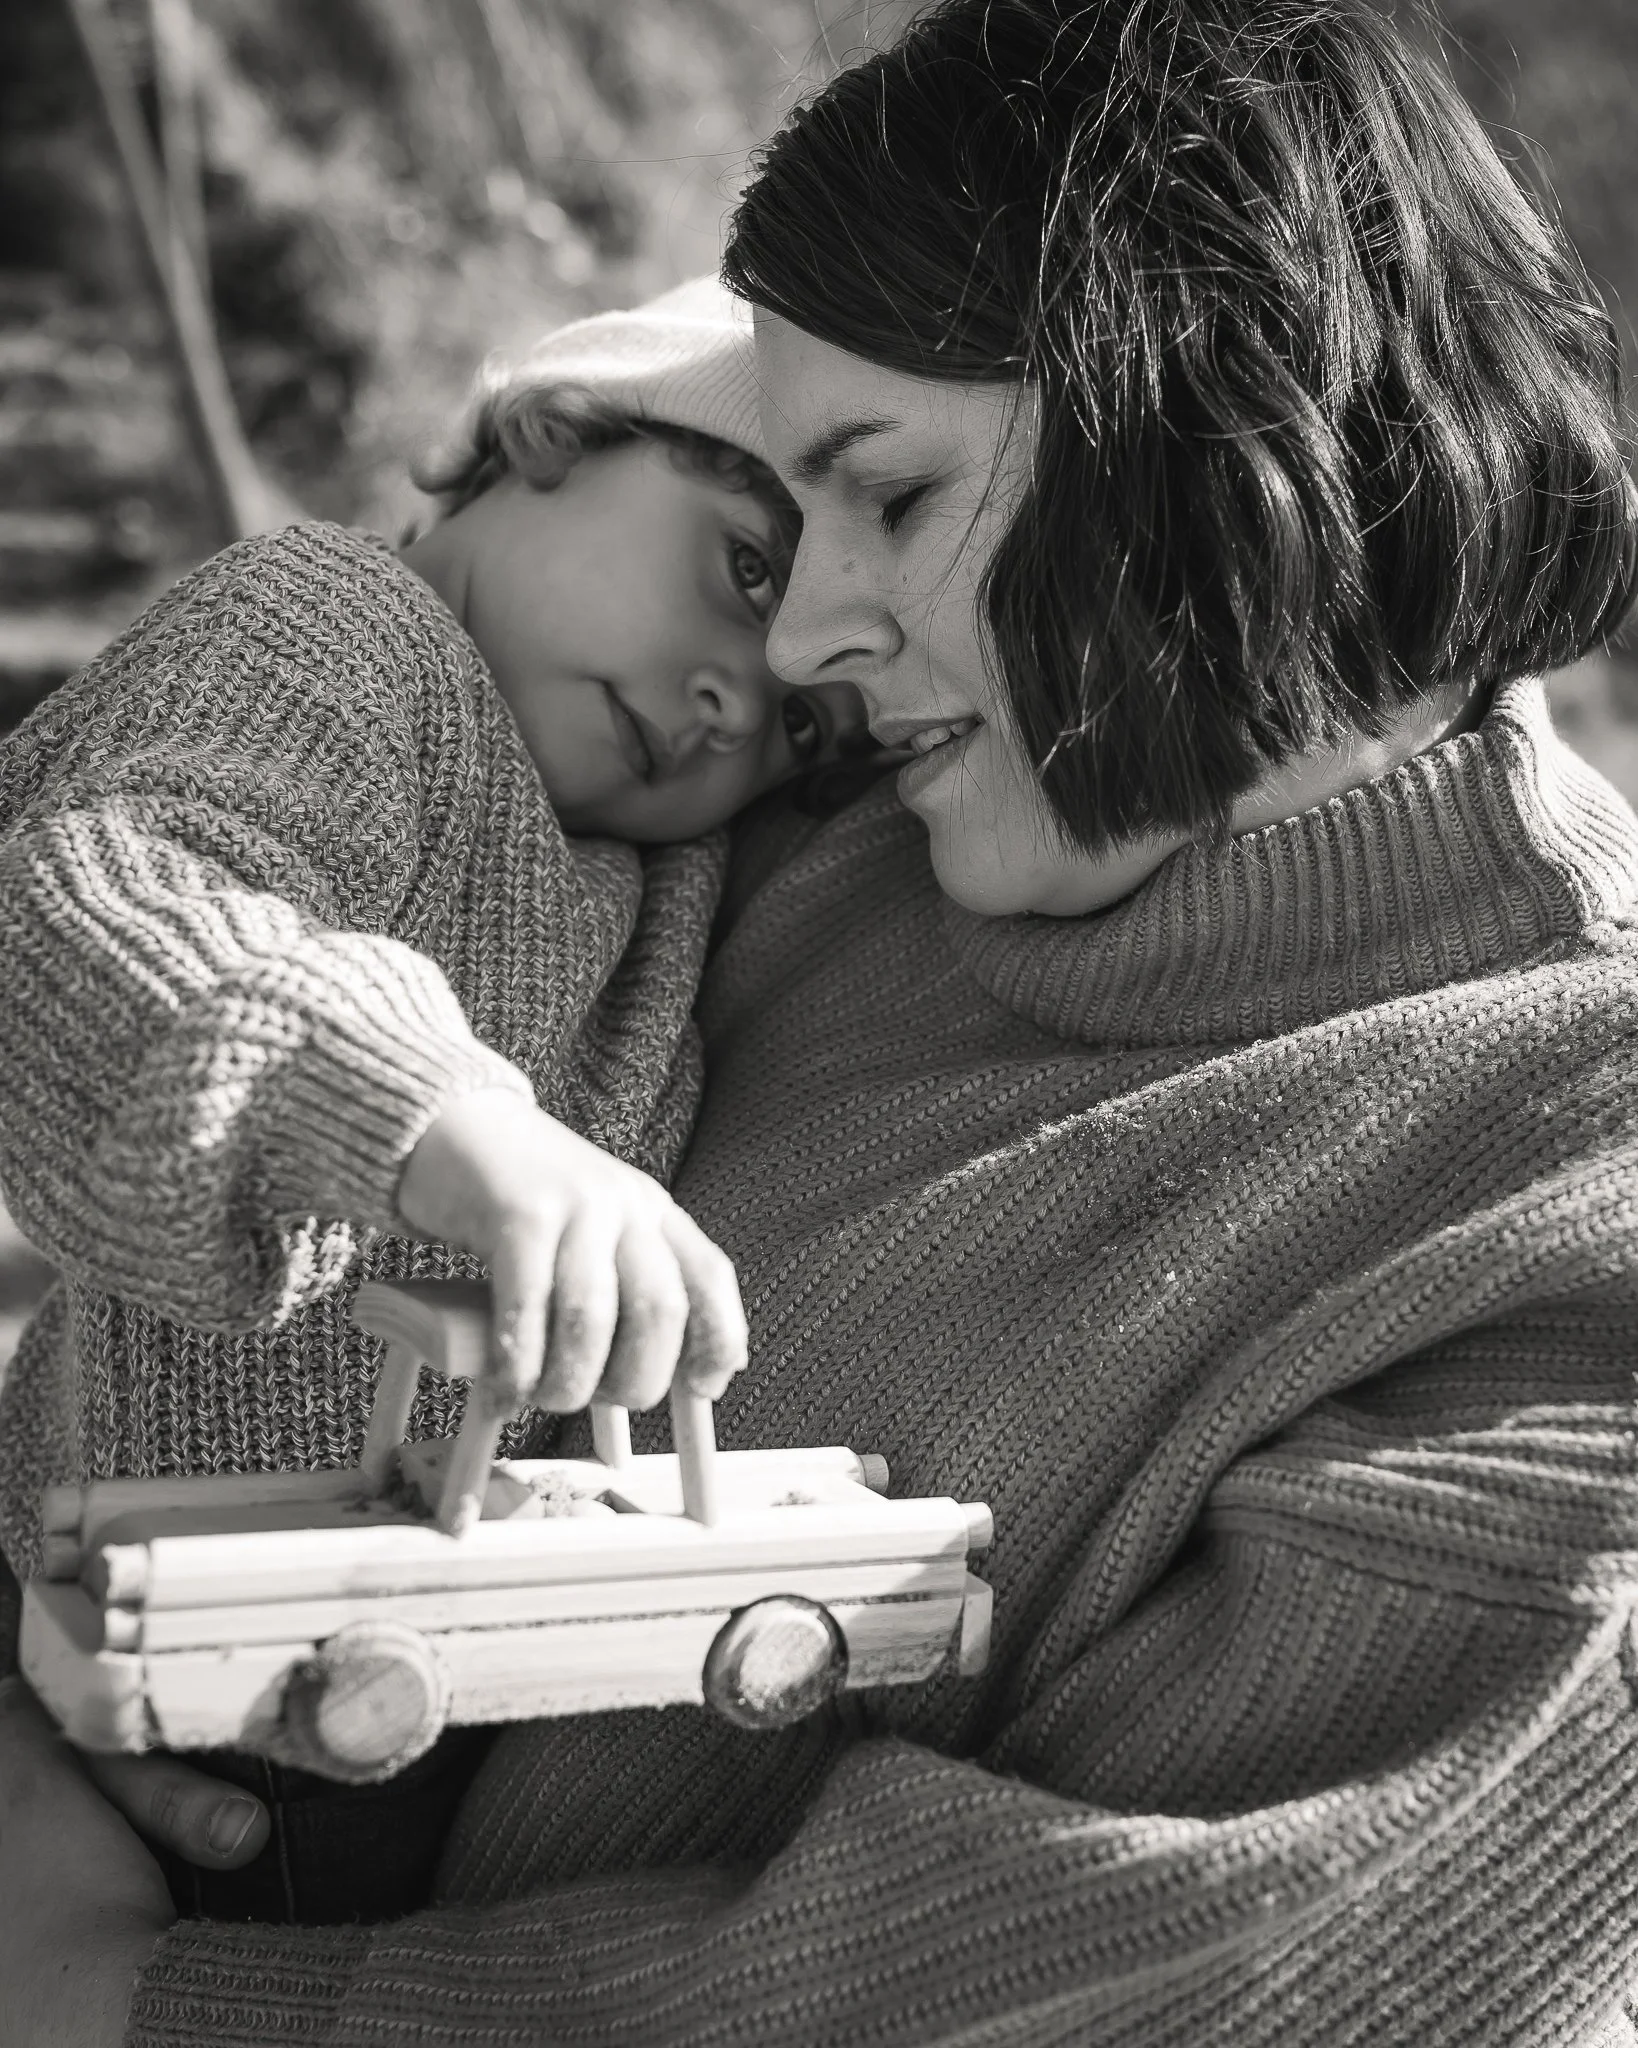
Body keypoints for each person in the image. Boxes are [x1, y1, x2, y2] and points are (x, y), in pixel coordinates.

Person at [8, 0, 1638, 2040]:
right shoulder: (850, 819)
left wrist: (122, 1996)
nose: (798, 638)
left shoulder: (1571, 1200)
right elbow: (172, 978)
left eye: (887, 490)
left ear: (1215, 413)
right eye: (774, 530)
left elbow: (1147, 1980)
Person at [0, 275, 871, 1926]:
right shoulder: (330, 631)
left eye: (807, 724)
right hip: (143, 1635)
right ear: (548, 433)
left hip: (418, 1671)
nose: (735, 700)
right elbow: (111, 892)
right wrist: (444, 1124)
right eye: (743, 567)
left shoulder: (663, 870)